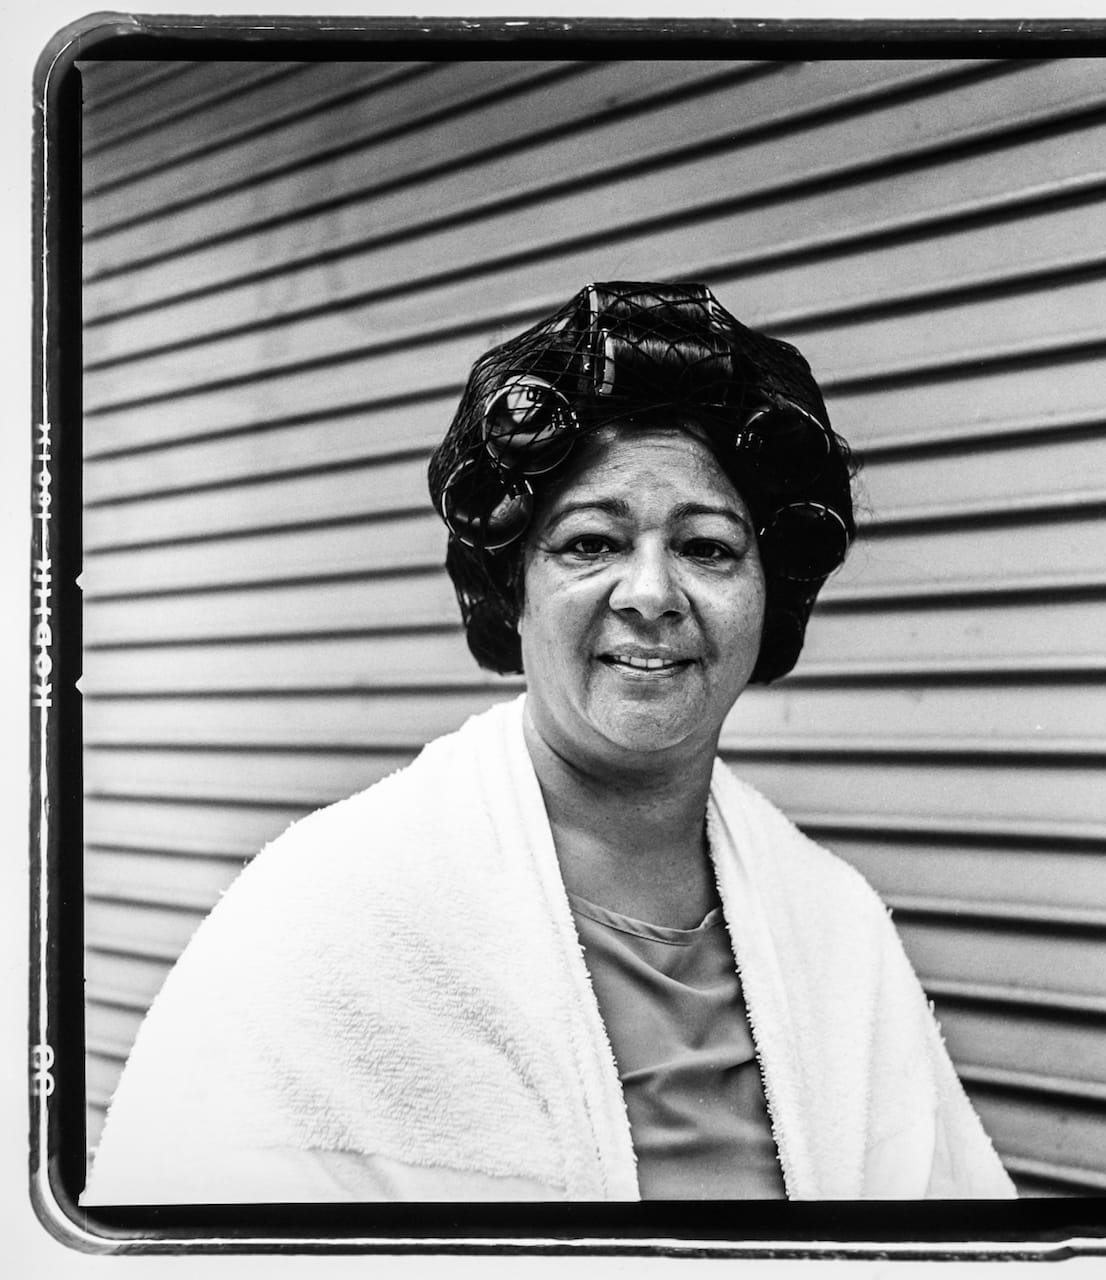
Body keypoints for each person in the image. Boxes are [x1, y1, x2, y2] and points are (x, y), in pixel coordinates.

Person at [83, 282, 1015, 1204]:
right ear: (511, 590)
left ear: (770, 596)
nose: (650, 593)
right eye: (589, 543)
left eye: (709, 548)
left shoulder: (835, 925)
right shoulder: (325, 916)